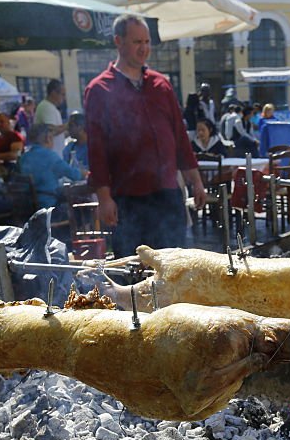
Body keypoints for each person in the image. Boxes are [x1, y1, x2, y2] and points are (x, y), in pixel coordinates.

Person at [84, 13, 204, 258]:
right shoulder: (99, 89)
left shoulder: (161, 84)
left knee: (174, 265)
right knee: (134, 270)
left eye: (147, 42)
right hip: (128, 199)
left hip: (168, 195)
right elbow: (97, 150)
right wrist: (104, 198)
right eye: (138, 42)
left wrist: (196, 180)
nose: (145, 48)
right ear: (119, 41)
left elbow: (180, 137)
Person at [18, 123, 82, 211]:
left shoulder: (24, 157)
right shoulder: (50, 156)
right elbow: (75, 175)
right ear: (48, 138)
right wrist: (84, 173)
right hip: (49, 208)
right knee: (83, 208)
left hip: (28, 208)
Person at [35, 79, 67, 150]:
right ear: (53, 93)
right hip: (50, 156)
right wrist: (69, 124)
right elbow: (51, 131)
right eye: (62, 94)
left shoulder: (51, 107)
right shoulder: (46, 107)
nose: (64, 98)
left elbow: (57, 131)